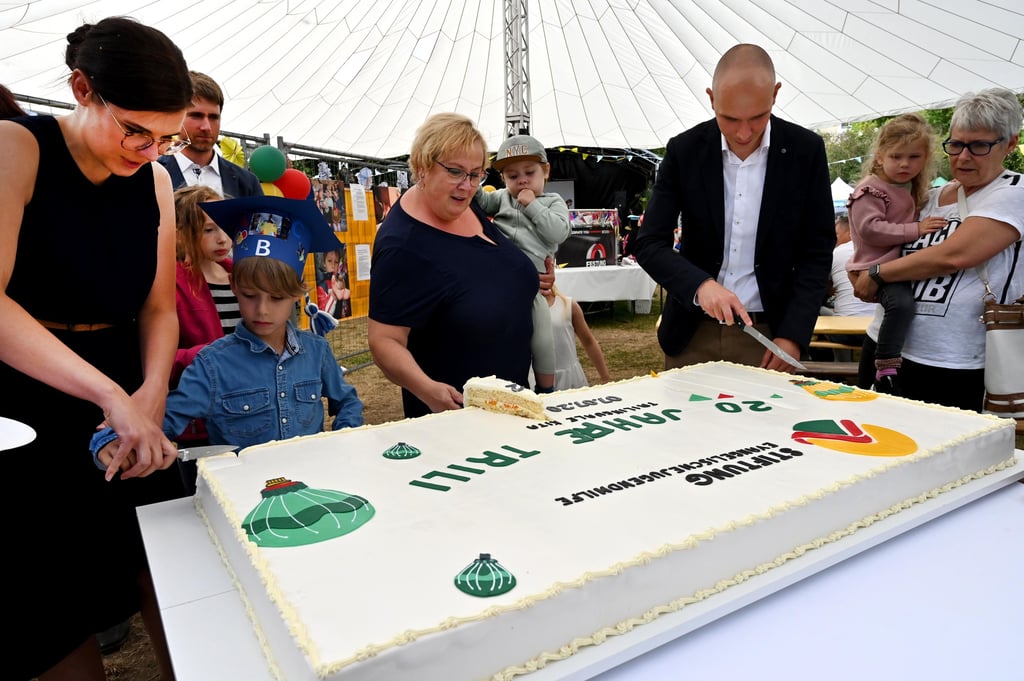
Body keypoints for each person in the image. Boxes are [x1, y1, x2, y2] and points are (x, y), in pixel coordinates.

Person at [0, 17, 190, 681]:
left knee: (166, 558)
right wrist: (111, 396)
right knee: (47, 594)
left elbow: (160, 307)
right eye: (134, 129)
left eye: (165, 136)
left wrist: (151, 392)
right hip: (27, 392)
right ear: (82, 89)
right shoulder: (15, 147)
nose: (147, 149)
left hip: (128, 381)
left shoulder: (158, 180)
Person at [92, 195, 363, 467]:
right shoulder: (211, 366)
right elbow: (166, 418)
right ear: (233, 285)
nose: (262, 310)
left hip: (313, 480)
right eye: (249, 295)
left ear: (298, 292)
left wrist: (341, 439)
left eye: (277, 298)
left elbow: (347, 400)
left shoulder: (316, 351)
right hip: (245, 495)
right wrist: (117, 440)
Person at [633, 44, 835, 373]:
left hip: (769, 335)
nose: (743, 133)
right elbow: (649, 242)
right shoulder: (685, 151)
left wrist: (794, 335)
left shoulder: (805, 151)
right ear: (712, 99)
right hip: (691, 332)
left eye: (758, 118)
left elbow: (817, 250)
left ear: (775, 94)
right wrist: (700, 285)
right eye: (729, 119)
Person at [852, 88, 1024, 411]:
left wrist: (877, 273)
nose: (963, 157)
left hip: (954, 362)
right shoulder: (928, 197)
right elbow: (877, 239)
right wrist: (860, 269)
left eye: (979, 146)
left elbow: (954, 255)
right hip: (884, 346)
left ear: (1010, 144)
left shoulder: (1015, 191)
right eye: (956, 144)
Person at [367, 113, 547, 418]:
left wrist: (528, 279)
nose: (467, 186)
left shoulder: (463, 202)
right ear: (423, 167)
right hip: (456, 420)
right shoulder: (403, 245)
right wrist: (427, 389)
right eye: (455, 172)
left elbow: (480, 267)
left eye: (476, 174)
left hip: (510, 405)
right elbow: (384, 340)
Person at [845, 113, 946, 394]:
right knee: (901, 306)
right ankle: (886, 365)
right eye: (896, 156)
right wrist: (916, 229)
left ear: (926, 158)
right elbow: (870, 229)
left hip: (892, 266)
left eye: (914, 157)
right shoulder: (870, 190)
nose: (904, 164)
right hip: (873, 267)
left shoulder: (909, 188)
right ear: (880, 157)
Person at [474, 134, 571, 392]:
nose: (522, 181)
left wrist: (532, 206)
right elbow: (481, 202)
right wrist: (472, 177)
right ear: (503, 179)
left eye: (529, 172)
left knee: (541, 337)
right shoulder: (502, 198)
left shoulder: (552, 202)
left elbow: (558, 233)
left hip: (533, 285)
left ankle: (545, 388)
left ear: (546, 171)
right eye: (512, 176)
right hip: (501, 281)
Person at [157, 71, 262, 197]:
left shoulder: (247, 183)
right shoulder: (149, 174)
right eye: (196, 116)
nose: (206, 127)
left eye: (213, 117)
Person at [531, 285, 612, 390]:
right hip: (536, 378)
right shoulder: (523, 309)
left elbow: (589, 342)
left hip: (570, 379)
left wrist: (605, 378)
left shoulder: (568, 305)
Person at [316, 247, 351, 319]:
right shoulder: (322, 286)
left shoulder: (342, 280)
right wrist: (334, 295)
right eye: (329, 261)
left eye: (336, 262)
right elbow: (324, 314)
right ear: (324, 263)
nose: (333, 265)